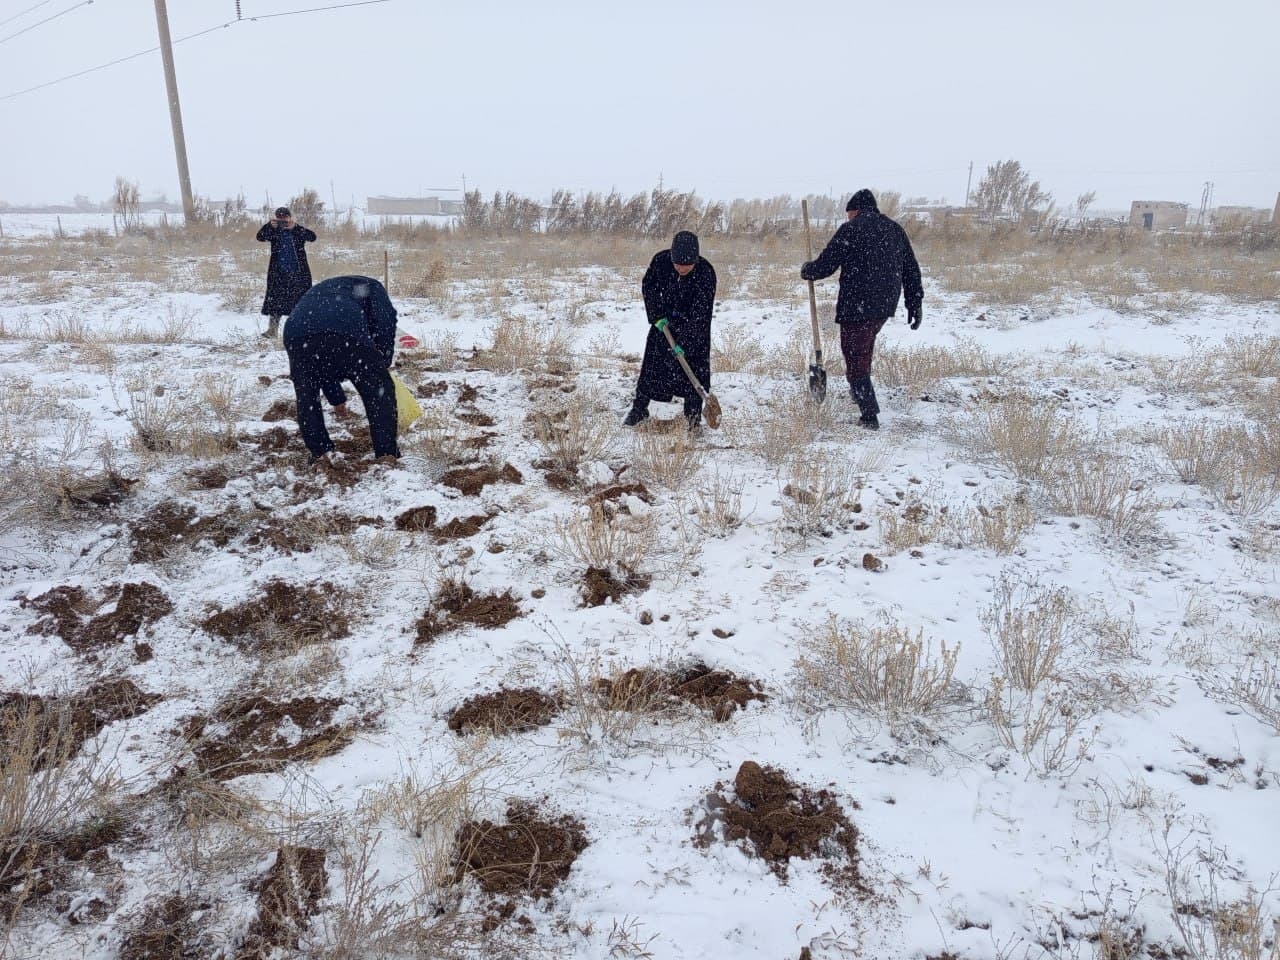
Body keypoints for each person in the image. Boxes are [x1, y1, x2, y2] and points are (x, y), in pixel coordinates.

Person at [801, 189, 923, 430]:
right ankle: (859, 392)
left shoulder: (852, 229)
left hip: (858, 305)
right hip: (883, 306)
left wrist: (808, 270)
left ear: (855, 211)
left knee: (855, 354)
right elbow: (911, 268)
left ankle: (869, 413)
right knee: (863, 348)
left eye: (849, 214)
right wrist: (914, 302)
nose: (848, 218)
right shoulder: (894, 229)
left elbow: (827, 264)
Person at [282, 275, 401, 463]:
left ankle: (321, 452)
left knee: (307, 391)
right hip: (344, 327)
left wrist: (337, 400)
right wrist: (383, 360)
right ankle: (386, 453)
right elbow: (386, 320)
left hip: (296, 332)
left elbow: (324, 359)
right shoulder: (374, 287)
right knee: (379, 389)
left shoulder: (326, 289)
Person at [624, 230, 717, 431]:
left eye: (687, 265)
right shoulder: (660, 262)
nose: (681, 269)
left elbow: (701, 314)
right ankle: (639, 410)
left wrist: (685, 342)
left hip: (693, 328)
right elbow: (649, 287)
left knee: (694, 373)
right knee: (651, 370)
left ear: (696, 260)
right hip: (663, 324)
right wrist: (656, 315)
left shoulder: (706, 273)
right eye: (677, 264)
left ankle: (693, 420)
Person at [256, 206, 316, 338]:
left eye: (285, 218)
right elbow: (260, 237)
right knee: (275, 302)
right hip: (279, 273)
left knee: (301, 303)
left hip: (298, 274)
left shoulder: (297, 230)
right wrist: (269, 226)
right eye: (280, 219)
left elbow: (312, 237)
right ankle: (272, 331)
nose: (283, 221)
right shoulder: (274, 231)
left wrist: (295, 227)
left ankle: (303, 331)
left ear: (290, 218)